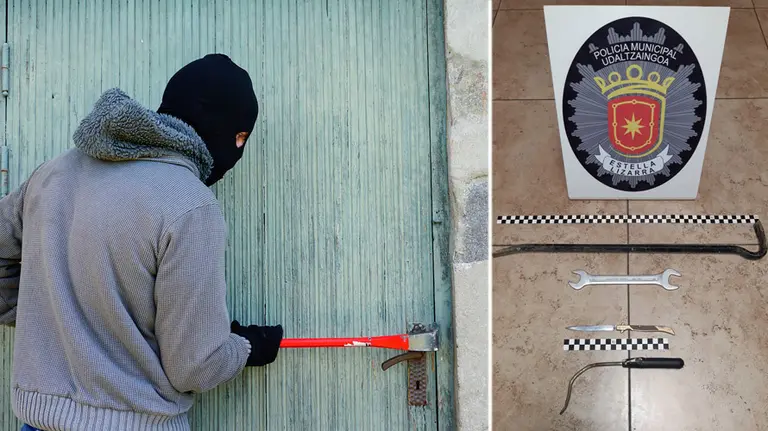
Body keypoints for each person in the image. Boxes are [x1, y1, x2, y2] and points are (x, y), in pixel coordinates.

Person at [0, 53, 283, 431]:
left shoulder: (53, 174)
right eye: (240, 136)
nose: (237, 149)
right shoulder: (189, 205)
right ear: (219, 126)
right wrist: (245, 347)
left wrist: (55, 310)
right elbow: (196, 367)